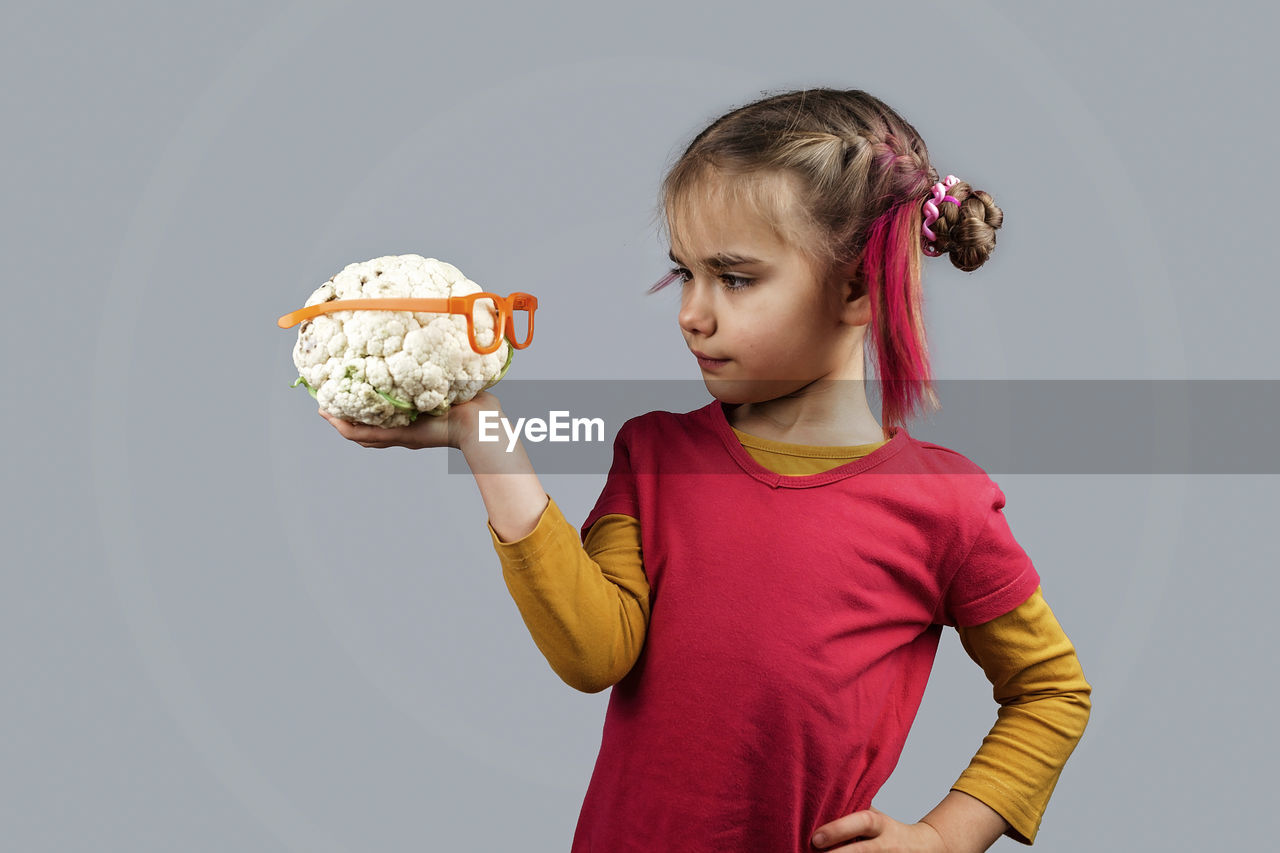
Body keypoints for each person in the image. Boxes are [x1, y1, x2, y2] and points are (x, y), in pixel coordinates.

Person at [319, 87, 1091, 852]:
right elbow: (595, 653)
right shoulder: (653, 456)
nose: (692, 311)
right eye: (684, 272)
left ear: (857, 286)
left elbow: (1051, 691)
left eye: (736, 277)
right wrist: (483, 436)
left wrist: (943, 838)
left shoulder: (941, 505)